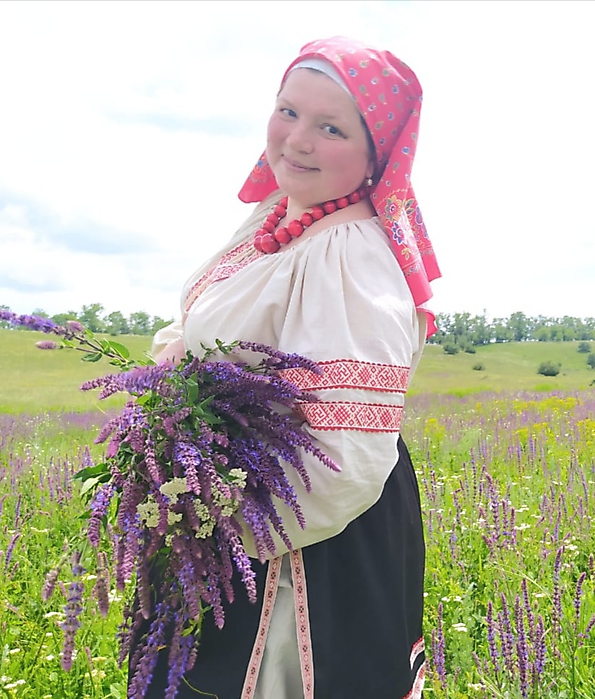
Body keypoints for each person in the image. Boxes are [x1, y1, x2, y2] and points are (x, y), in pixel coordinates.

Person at [138, 35, 440, 699]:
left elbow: (346, 456)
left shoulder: (351, 257)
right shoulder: (272, 218)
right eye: (287, 111)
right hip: (219, 498)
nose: (296, 140)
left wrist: (220, 529)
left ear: (375, 151)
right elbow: (203, 319)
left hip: (300, 533)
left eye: (329, 126)